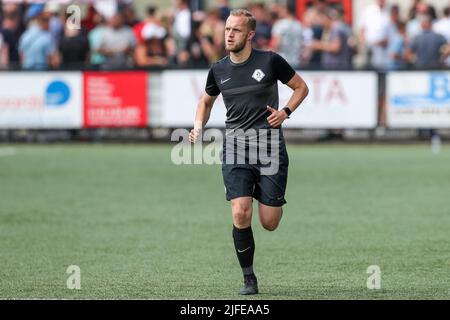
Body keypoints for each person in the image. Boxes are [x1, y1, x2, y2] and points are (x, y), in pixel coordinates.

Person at [189, 9, 309, 295]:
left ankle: (262, 192)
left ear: (250, 34)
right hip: (236, 148)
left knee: (269, 222)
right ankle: (249, 278)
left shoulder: (270, 61)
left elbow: (301, 87)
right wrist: (197, 126)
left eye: (236, 30)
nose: (229, 35)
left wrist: (285, 112)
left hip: (269, 149)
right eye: (227, 29)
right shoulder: (218, 69)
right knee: (241, 212)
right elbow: (205, 102)